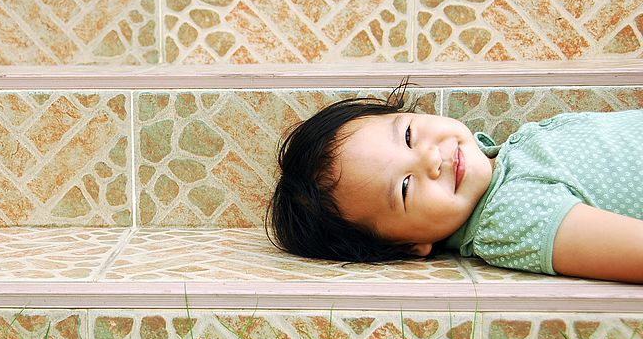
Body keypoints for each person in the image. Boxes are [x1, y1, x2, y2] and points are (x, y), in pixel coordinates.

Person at [266, 80, 643, 283]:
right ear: (413, 245)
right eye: (405, 188)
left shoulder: (508, 160)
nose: (431, 158)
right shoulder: (509, 218)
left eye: (410, 135)